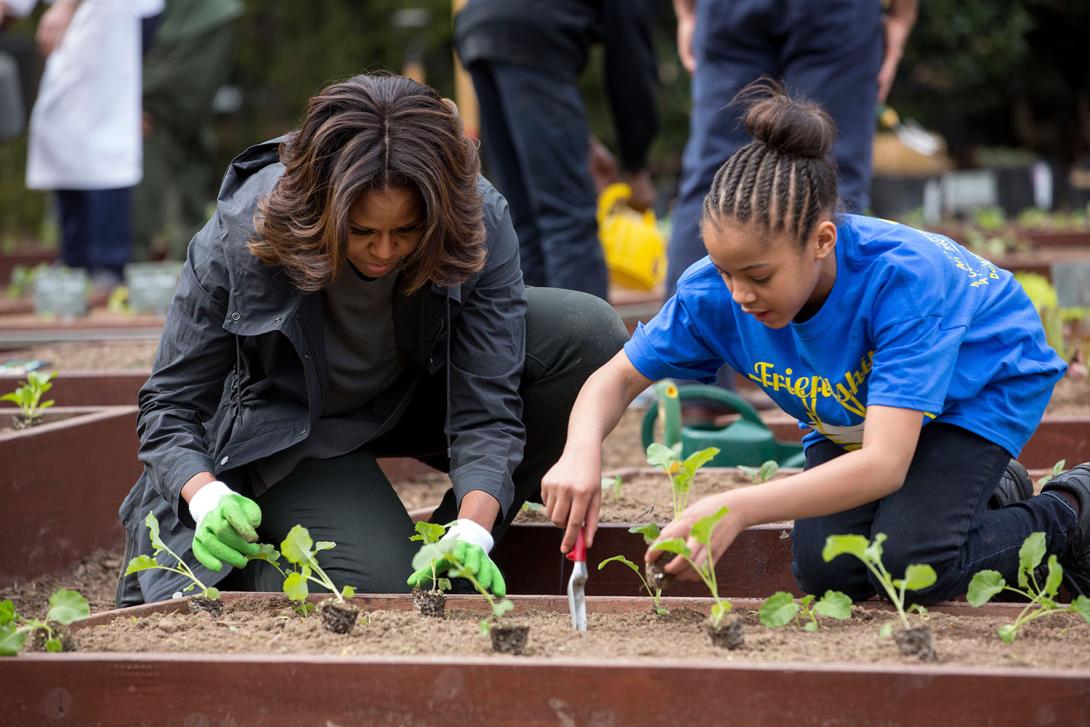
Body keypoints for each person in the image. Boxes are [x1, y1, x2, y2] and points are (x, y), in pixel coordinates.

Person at [540, 82, 1090, 606]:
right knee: (829, 571)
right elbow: (616, 378)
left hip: (976, 384)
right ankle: (985, 493)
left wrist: (735, 506)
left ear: (822, 241)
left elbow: (883, 464)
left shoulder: (901, 283)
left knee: (913, 566)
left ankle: (1071, 509)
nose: (740, 296)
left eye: (758, 275)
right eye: (727, 272)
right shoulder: (714, 292)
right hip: (855, 412)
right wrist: (580, 450)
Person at [116, 74, 629, 606]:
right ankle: (260, 574)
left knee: (585, 335)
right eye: (361, 232)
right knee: (373, 589)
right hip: (291, 432)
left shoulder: (473, 218)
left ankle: (450, 560)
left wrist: (475, 528)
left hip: (410, 394)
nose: (384, 251)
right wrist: (205, 496)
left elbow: (488, 407)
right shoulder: (246, 231)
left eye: (407, 232)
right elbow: (168, 406)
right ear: (322, 209)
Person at [664, 0, 917, 298]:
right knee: (829, 170)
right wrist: (901, 15)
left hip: (727, 9)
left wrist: (687, 11)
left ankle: (685, 341)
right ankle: (825, 339)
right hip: (836, 12)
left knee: (715, 177)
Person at [454, 0, 659, 301]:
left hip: (477, 25)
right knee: (567, 222)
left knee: (520, 221)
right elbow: (631, 61)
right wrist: (637, 164)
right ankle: (587, 344)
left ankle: (531, 340)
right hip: (531, 30)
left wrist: (582, 142)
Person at [19, 0, 164, 290]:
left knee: (107, 138)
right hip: (84, 34)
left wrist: (65, 6)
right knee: (66, 135)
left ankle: (108, 264)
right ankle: (75, 261)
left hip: (113, 20)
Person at [132, 0, 244, 263]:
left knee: (152, 121)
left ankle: (146, 256)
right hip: (190, 24)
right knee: (184, 134)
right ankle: (193, 257)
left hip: (193, 25)